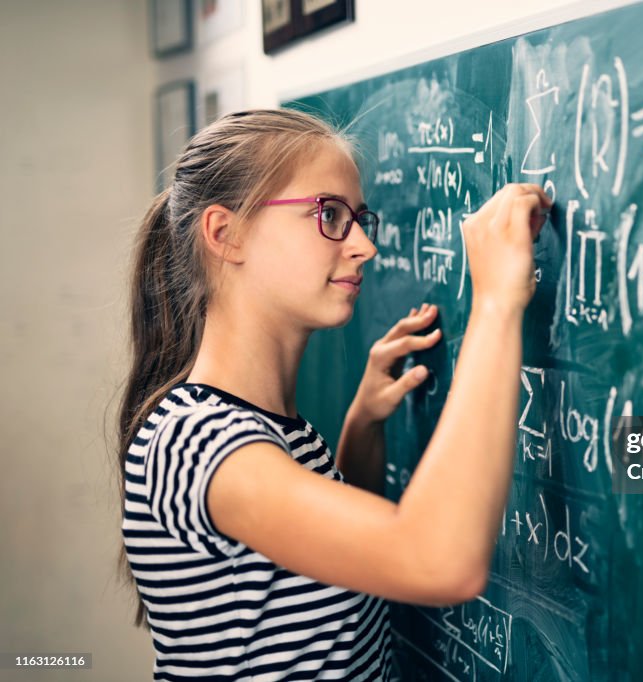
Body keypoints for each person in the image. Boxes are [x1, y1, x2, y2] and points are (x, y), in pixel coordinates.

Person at [114, 107, 551, 680]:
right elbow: (439, 562)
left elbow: (319, 567)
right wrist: (495, 300)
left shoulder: (270, 430)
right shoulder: (197, 440)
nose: (365, 246)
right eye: (329, 214)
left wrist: (361, 427)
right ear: (227, 234)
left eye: (358, 217)